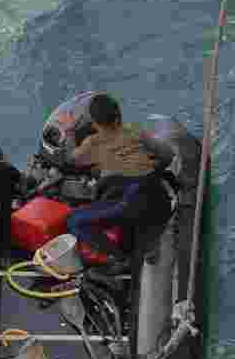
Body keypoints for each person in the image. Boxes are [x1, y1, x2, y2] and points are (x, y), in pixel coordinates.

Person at [56, 94, 177, 254]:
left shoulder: (92, 144)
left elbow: (70, 159)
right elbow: (168, 155)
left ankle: (117, 256)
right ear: (119, 114)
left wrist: (70, 131)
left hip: (130, 208)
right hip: (158, 200)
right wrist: (153, 167)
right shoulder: (136, 132)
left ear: (94, 123)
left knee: (74, 221)